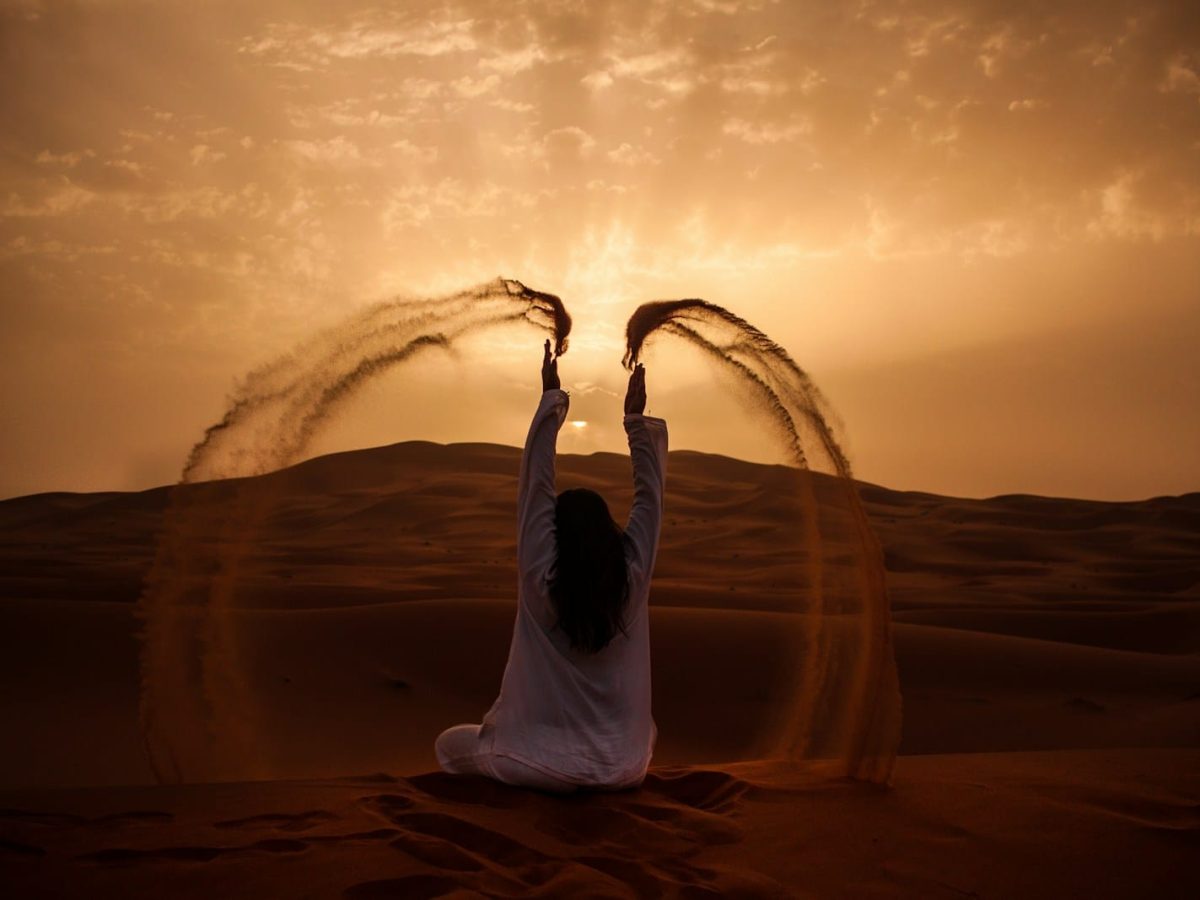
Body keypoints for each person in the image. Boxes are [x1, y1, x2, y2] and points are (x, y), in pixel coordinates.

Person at [434, 339, 668, 793]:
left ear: (556, 534)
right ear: (609, 534)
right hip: (624, 767)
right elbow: (651, 500)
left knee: (449, 745)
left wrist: (550, 400)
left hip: (533, 764)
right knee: (649, 732)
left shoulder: (542, 578)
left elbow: (535, 487)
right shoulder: (631, 580)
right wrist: (636, 422)